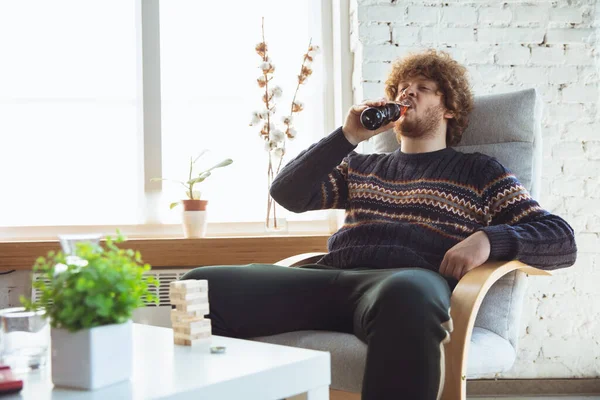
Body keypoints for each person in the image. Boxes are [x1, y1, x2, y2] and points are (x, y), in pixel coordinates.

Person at [181, 49, 577, 400]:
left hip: (400, 286)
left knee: (410, 291)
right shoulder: (361, 165)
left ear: (450, 108)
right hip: (327, 280)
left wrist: (490, 239)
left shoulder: (479, 170)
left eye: (423, 87)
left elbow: (560, 238)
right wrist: (347, 135)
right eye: (402, 87)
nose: (408, 94)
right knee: (200, 285)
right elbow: (288, 193)